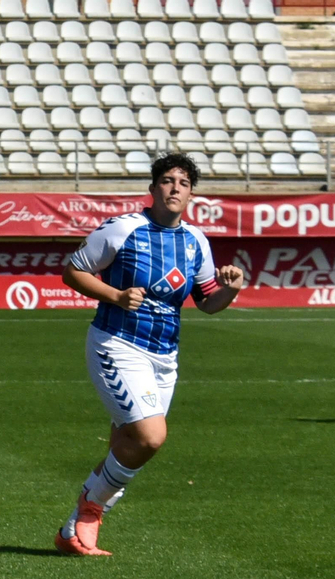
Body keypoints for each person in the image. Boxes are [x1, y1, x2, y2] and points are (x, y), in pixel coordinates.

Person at [54, 153, 243, 556]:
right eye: (168, 180)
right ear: (153, 187)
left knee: (126, 439)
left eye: (184, 183)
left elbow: (207, 301)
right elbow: (74, 271)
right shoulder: (124, 229)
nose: (175, 188)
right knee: (150, 436)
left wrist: (230, 289)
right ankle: (90, 507)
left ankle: (75, 531)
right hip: (117, 344)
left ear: (191, 193)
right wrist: (116, 295)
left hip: (165, 357)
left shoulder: (195, 241)